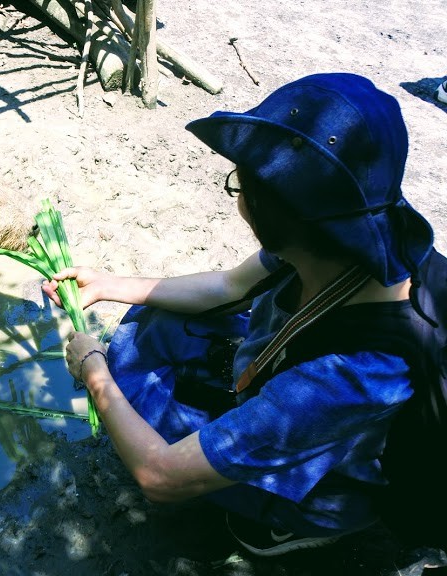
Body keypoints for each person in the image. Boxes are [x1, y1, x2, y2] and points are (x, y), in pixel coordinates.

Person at [41, 73, 436, 556]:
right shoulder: (337, 236)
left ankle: (301, 518)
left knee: (129, 394)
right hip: (298, 381)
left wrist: (94, 371)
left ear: (269, 211)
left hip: (335, 463)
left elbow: (160, 477)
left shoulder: (352, 374)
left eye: (239, 185)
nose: (238, 196)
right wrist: (110, 285)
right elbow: (231, 285)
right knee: (152, 322)